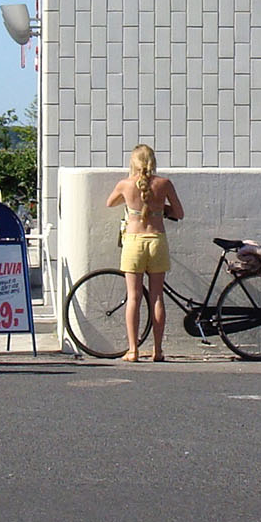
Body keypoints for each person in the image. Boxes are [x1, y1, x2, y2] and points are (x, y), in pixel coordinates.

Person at [105, 143, 184, 362]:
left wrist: (133, 204)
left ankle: (133, 349)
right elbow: (179, 212)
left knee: (134, 297)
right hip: (157, 240)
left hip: (133, 241)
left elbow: (110, 202)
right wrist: (160, 209)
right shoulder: (164, 184)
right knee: (157, 297)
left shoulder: (125, 184)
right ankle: (158, 350)